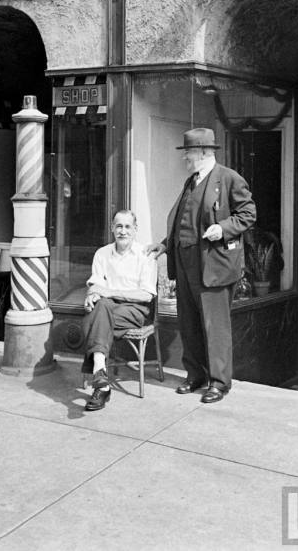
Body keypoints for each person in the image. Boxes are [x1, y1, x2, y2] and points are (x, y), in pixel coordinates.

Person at [147, 127, 256, 403]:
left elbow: (248, 213)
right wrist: (164, 244)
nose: (184, 159)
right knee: (190, 324)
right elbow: (184, 221)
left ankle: (219, 382)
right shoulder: (192, 182)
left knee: (215, 326)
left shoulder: (228, 178)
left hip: (213, 266)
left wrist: (223, 228)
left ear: (205, 153)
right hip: (185, 265)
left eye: (188, 153)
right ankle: (196, 375)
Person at [81, 209, 158, 412]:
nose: (122, 231)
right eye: (118, 226)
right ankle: (102, 381)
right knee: (101, 307)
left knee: (95, 316)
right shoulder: (102, 253)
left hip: (135, 310)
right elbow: (96, 285)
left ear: (135, 230)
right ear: (111, 229)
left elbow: (146, 295)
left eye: (127, 227)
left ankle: (99, 373)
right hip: (109, 308)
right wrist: (91, 295)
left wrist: (107, 292)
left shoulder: (145, 255)